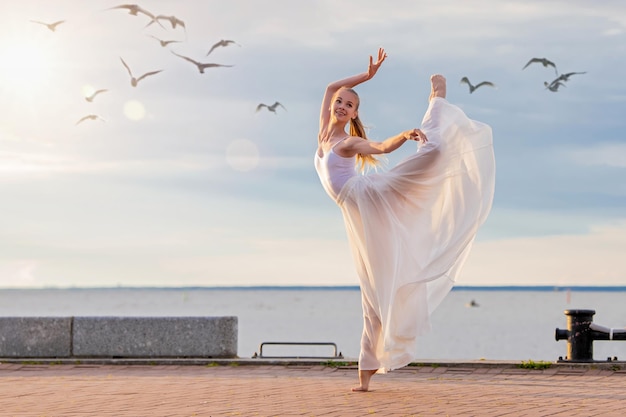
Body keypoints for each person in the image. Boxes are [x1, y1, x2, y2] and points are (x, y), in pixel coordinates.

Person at [314, 47, 495, 391]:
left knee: (431, 155)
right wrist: (365, 77)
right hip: (357, 216)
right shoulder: (324, 133)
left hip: (369, 199)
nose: (340, 106)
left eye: (348, 105)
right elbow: (328, 87)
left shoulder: (349, 142)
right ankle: (366, 375)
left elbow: (381, 148)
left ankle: (436, 102)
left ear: (353, 114)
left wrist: (405, 134)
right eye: (340, 102)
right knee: (374, 289)